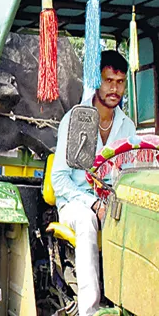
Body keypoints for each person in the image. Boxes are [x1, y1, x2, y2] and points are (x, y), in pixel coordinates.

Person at [51, 50, 136, 316]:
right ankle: (90, 310)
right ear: (96, 81)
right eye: (109, 80)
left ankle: (131, 302)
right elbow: (59, 179)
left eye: (120, 82)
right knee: (88, 222)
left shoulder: (128, 127)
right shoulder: (76, 120)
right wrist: (93, 203)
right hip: (75, 204)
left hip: (111, 204)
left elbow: (129, 175)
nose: (115, 88)